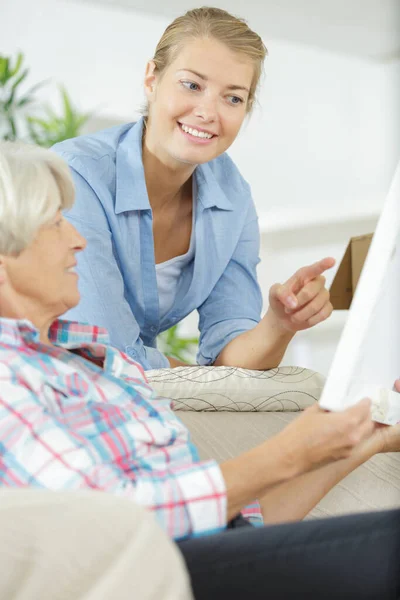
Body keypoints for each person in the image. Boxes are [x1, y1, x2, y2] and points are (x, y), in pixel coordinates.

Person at [1, 142, 399, 600]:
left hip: (205, 564)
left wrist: (371, 435)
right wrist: (292, 450)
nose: (78, 239)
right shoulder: (9, 375)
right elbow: (108, 527)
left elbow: (242, 521)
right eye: (54, 224)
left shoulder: (97, 362)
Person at [52, 6, 335, 371]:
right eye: (192, 85)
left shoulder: (232, 201)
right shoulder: (78, 175)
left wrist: (280, 325)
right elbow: (104, 350)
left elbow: (230, 352)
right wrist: (204, 381)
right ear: (152, 79)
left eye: (232, 98)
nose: (208, 112)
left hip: (129, 394)